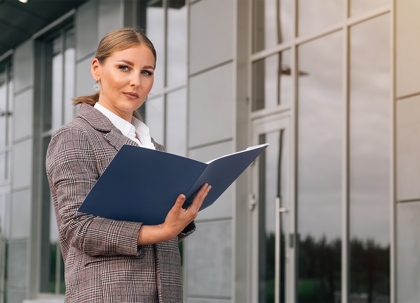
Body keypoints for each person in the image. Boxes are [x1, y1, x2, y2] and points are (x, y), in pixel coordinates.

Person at [45, 27, 211, 303]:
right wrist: (162, 231)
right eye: (125, 67)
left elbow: (156, 232)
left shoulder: (153, 147)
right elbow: (77, 227)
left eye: (146, 72)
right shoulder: (75, 136)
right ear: (96, 69)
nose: (136, 81)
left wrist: (181, 215)